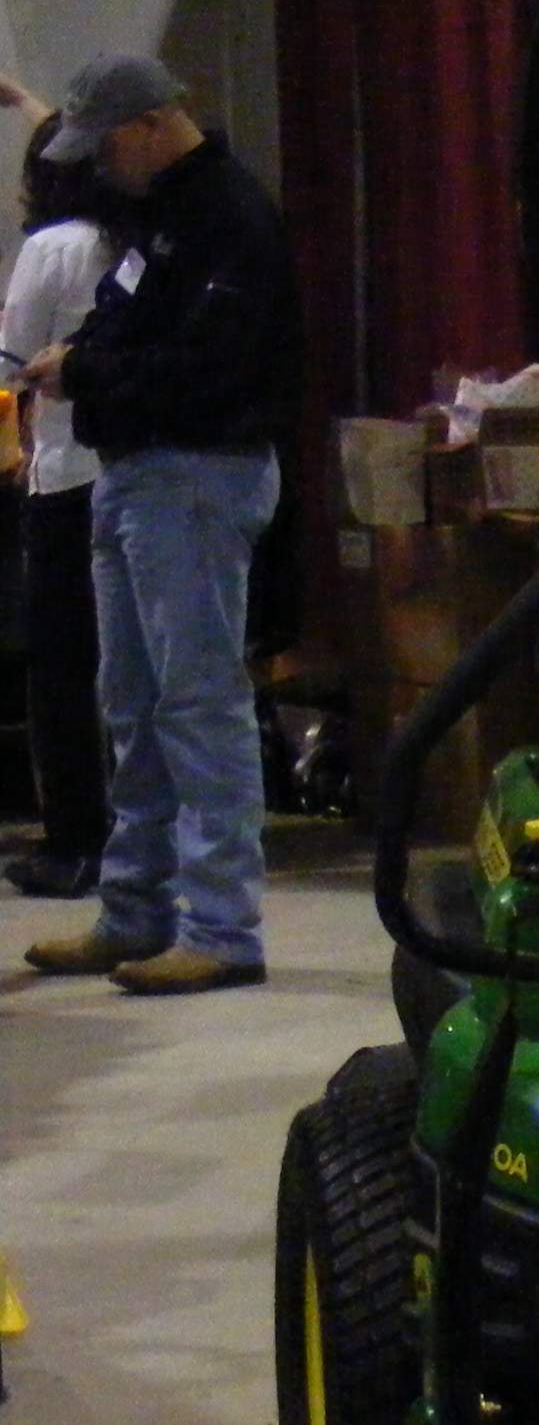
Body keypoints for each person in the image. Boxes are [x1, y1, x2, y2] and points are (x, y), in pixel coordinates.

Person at [20, 55, 300, 994]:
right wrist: (79, 351)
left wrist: (85, 372)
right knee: (132, 705)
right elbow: (125, 313)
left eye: (104, 146)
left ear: (147, 124)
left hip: (197, 475)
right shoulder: (162, 215)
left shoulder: (231, 220)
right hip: (132, 474)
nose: (99, 166)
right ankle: (135, 910)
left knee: (197, 703)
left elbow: (209, 367)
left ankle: (222, 927)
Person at [1, 97, 133, 897]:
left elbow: (11, 359)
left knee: (59, 667)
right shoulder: (133, 240)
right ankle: (133, 838)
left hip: (64, 476)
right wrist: (22, 98)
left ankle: (74, 839)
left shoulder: (49, 247)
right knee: (127, 667)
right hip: (125, 470)